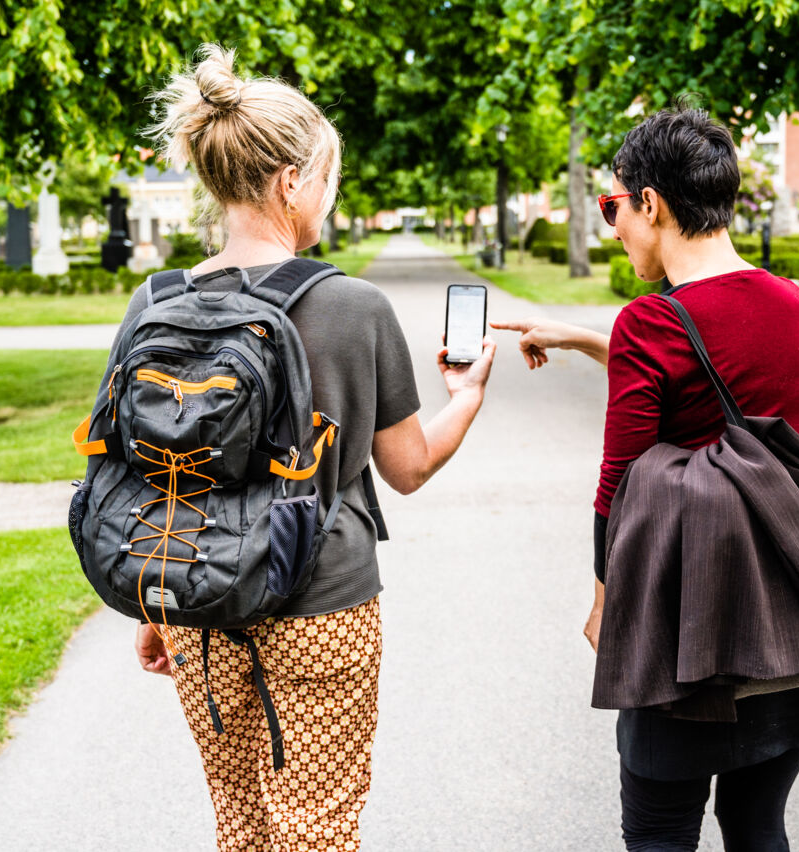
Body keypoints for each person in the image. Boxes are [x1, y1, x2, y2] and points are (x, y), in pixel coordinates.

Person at [130, 45, 496, 850]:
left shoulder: (156, 304)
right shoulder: (351, 307)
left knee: (241, 820)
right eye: (326, 177)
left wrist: (156, 602)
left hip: (194, 594)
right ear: (290, 181)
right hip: (322, 601)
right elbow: (408, 468)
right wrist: (465, 398)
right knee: (317, 827)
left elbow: (146, 463)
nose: (329, 197)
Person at [493, 104, 799, 851]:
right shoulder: (791, 305)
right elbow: (719, 391)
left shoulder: (651, 324)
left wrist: (606, 603)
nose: (617, 228)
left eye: (615, 208)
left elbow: (620, 490)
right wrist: (585, 339)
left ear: (652, 203)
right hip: (789, 617)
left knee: (660, 833)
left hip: (686, 624)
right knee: (757, 824)